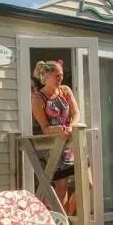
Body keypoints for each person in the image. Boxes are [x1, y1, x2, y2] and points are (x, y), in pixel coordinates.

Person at [31, 60, 81, 215]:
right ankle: (65, 223)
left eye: (62, 75)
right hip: (56, 148)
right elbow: (45, 128)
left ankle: (69, 218)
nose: (61, 78)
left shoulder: (65, 90)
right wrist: (58, 129)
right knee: (61, 190)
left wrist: (71, 126)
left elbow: (76, 113)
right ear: (46, 76)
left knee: (88, 184)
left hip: (72, 143)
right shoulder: (38, 99)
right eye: (57, 76)